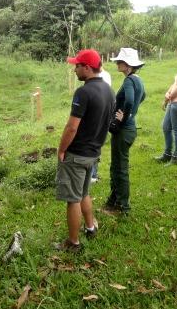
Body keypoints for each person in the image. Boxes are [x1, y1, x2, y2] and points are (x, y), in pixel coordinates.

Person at [56, 49, 115, 252]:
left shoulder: (83, 92)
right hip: (93, 153)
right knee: (84, 192)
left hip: (77, 154)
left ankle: (73, 243)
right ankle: (90, 228)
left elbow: (72, 127)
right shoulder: (108, 89)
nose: (74, 69)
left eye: (77, 66)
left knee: (73, 199)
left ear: (87, 68)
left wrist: (61, 149)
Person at [102, 48, 145, 215]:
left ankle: (123, 207)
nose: (117, 64)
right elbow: (143, 96)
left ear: (128, 65)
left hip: (124, 130)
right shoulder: (138, 79)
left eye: (120, 61)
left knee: (120, 169)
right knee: (117, 166)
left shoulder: (128, 81)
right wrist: (132, 112)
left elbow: (129, 100)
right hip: (129, 129)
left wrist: (123, 117)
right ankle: (114, 200)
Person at [90, 65, 113, 182]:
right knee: (96, 144)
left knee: (92, 144)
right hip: (104, 113)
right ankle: (93, 174)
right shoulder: (107, 75)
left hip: (98, 113)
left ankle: (92, 175)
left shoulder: (101, 77)